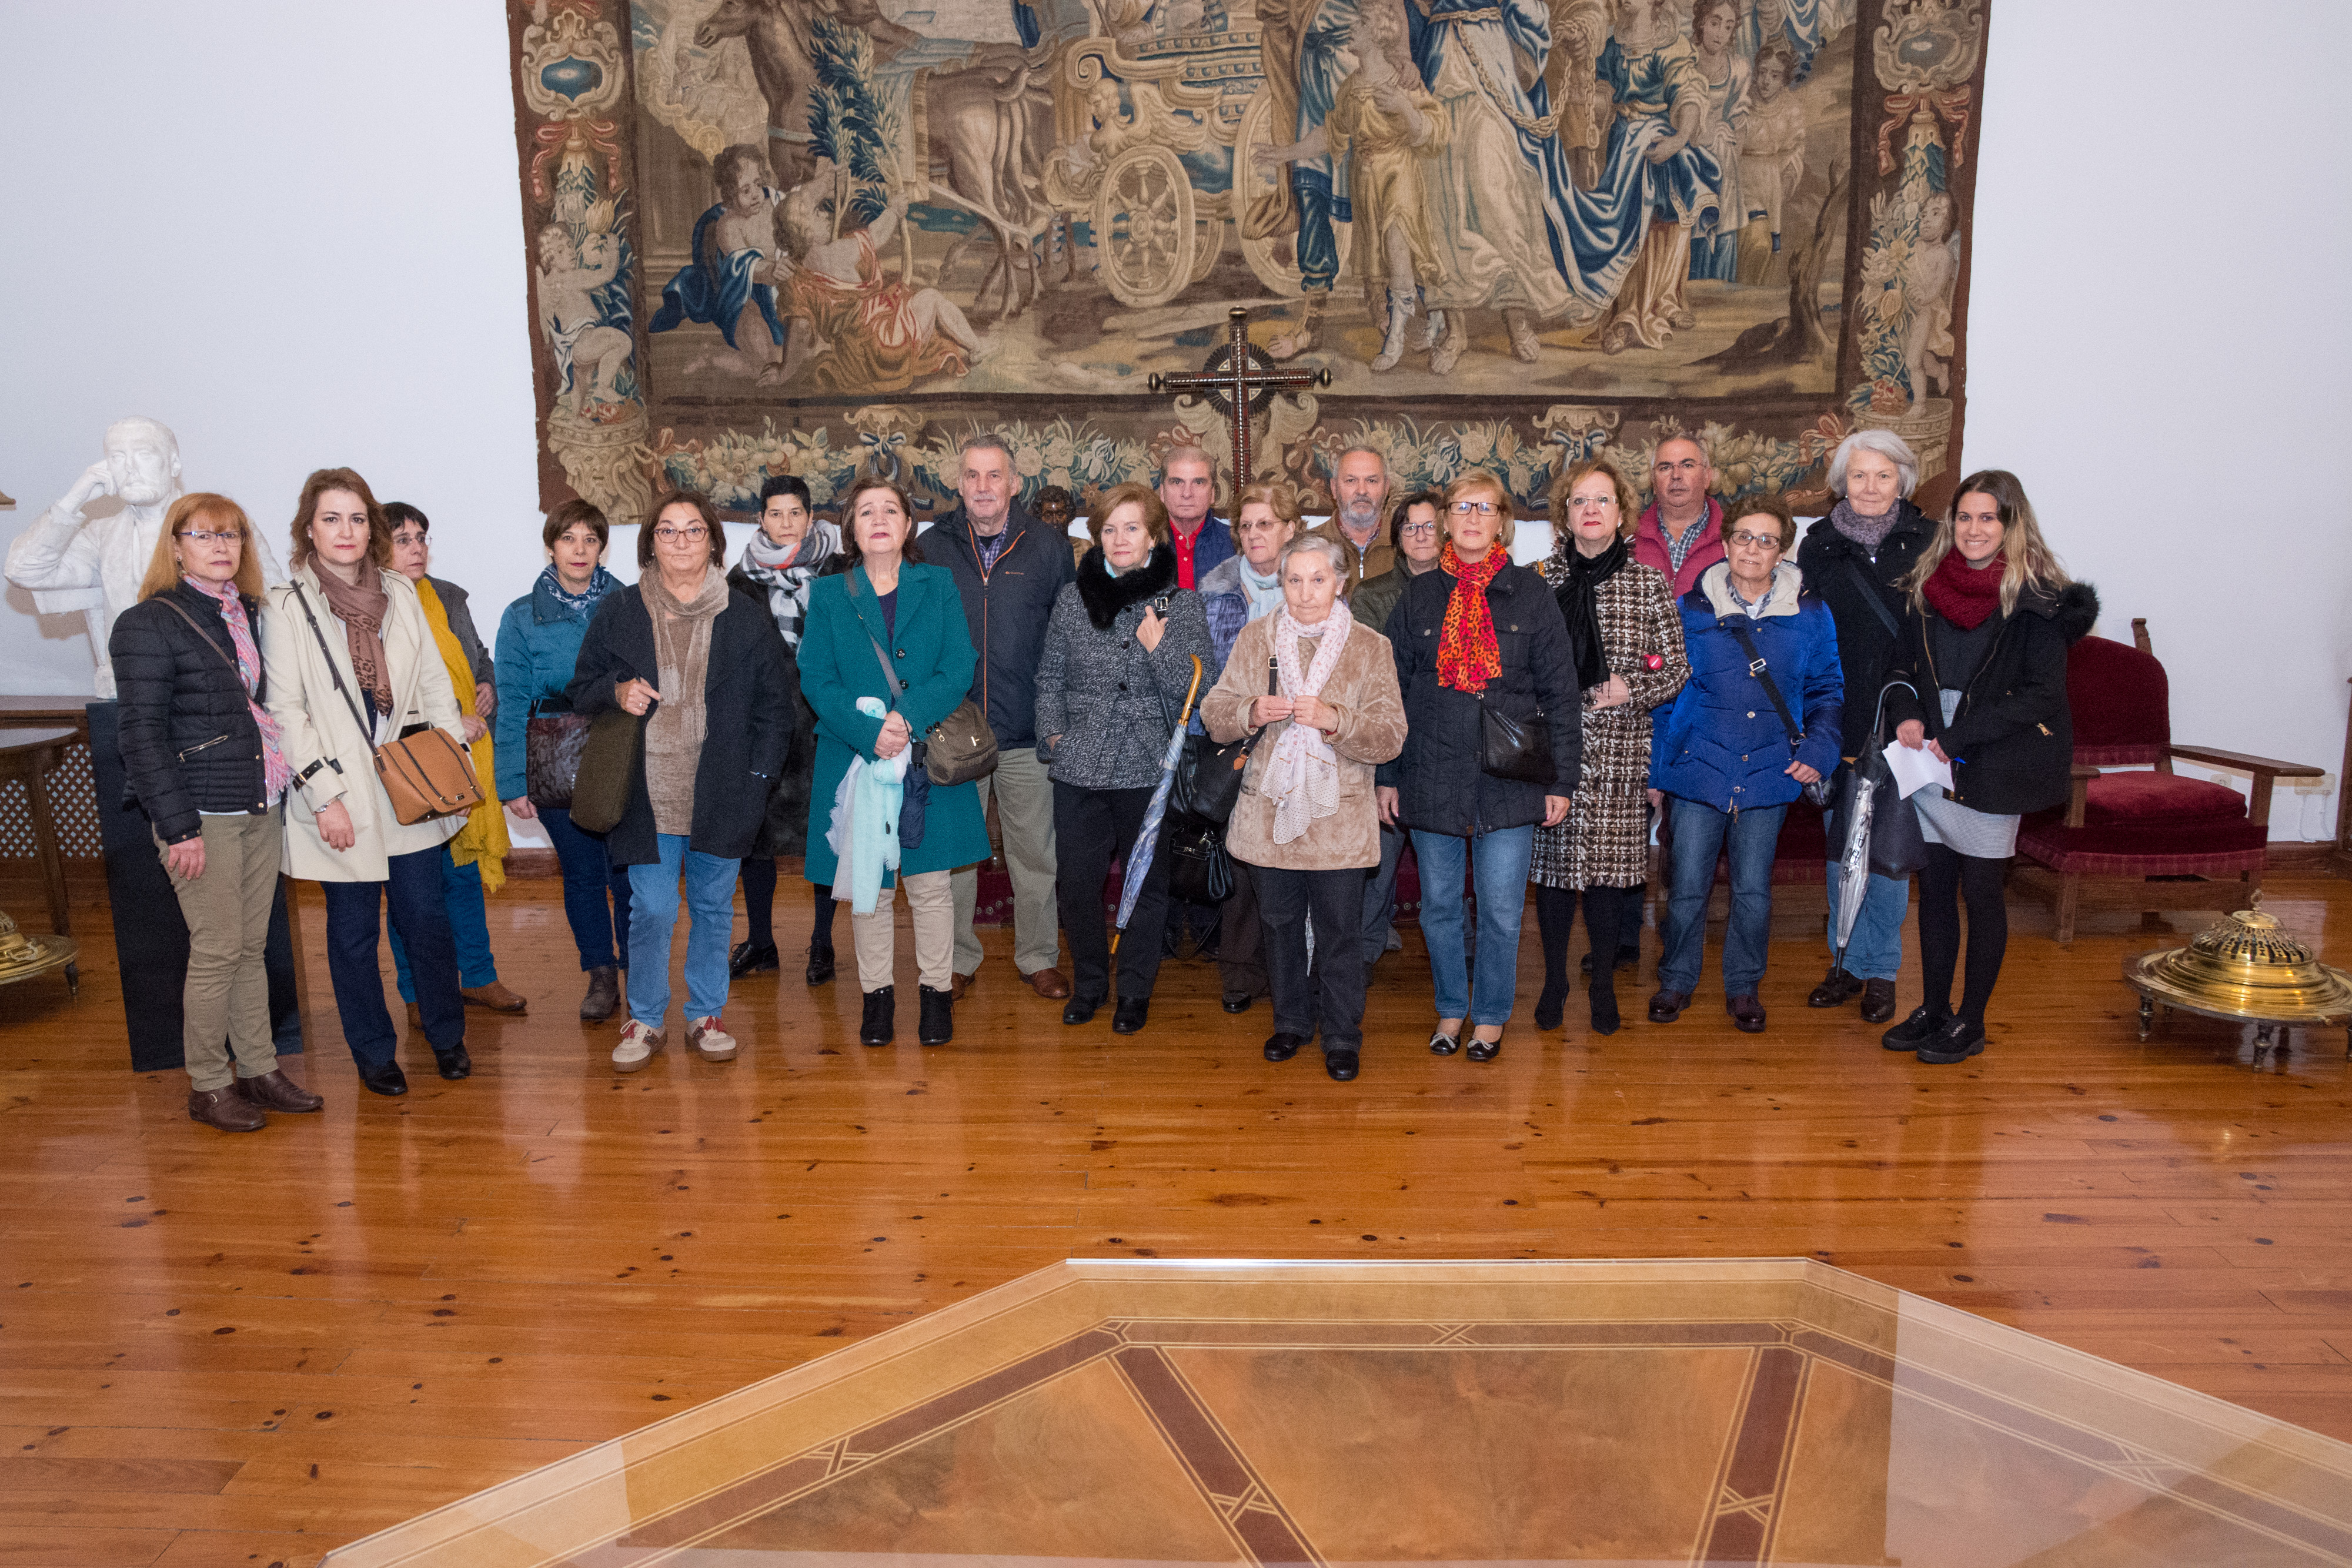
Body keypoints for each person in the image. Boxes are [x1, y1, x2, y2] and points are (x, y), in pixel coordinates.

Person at [109, 493, 321, 1131]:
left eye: (231, 535)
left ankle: (258, 1069)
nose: (222, 546)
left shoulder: (249, 614)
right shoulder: (147, 623)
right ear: (175, 546)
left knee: (249, 947)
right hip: (200, 811)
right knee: (217, 949)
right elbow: (140, 735)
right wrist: (177, 826)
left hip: (258, 798)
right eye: (204, 536)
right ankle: (207, 1084)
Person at [263, 468, 472, 1096]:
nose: (346, 531)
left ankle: (446, 1035)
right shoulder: (286, 605)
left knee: (427, 922)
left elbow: (435, 685)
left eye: (357, 519)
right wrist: (324, 797)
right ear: (309, 529)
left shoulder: (401, 595)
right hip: (340, 798)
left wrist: (449, 758)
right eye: (332, 518)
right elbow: (286, 712)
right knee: (353, 936)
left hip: (409, 789)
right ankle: (374, 1052)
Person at [569, 490, 794, 1071]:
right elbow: (583, 686)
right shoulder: (620, 610)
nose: (681, 542)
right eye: (667, 532)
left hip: (725, 788)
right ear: (651, 544)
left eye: (693, 531)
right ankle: (645, 1017)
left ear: (713, 542)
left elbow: (776, 707)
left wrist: (761, 777)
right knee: (653, 909)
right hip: (645, 791)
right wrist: (616, 691)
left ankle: (705, 1013)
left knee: (715, 906)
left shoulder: (745, 613)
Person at [1881, 472, 2096, 1065]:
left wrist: (1957, 735)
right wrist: (1906, 714)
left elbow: (2041, 696)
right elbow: (1900, 668)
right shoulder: (1925, 588)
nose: (1974, 531)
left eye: (1988, 519)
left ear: (2010, 525)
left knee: (1980, 893)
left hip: (1993, 755)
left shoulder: (2038, 599)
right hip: (1930, 756)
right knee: (1936, 888)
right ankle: (1933, 1009)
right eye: (1965, 518)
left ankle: (1970, 1021)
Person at [1377, 469, 1581, 1062]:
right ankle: (1450, 1007)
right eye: (1461, 507)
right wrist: (1386, 775)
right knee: (1439, 907)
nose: (1471, 518)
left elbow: (1561, 693)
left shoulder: (1532, 593)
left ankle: (1490, 1016)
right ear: (1445, 519)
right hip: (1430, 772)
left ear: (1503, 524)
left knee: (1498, 910)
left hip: (1509, 778)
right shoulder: (1417, 596)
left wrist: (1562, 780)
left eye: (1484, 509)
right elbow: (1389, 693)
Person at [1202, 533, 1406, 1080]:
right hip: (1270, 815)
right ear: (1282, 583)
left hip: (1338, 819)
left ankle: (1342, 1034)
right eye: (1295, 580)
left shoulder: (1369, 647)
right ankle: (1291, 1021)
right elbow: (1215, 713)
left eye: (1319, 580)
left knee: (1341, 932)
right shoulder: (1256, 637)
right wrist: (1251, 709)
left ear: (1341, 582)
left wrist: (1337, 719)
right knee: (1279, 923)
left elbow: (1390, 737)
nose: (1306, 592)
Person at [799, 474, 991, 1047]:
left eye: (890, 510)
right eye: (865, 512)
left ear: (908, 526)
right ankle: (876, 1001)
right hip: (856, 761)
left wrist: (905, 718)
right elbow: (815, 677)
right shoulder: (830, 594)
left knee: (930, 886)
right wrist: (868, 731)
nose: (879, 519)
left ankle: (936, 998)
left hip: (925, 754)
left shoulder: (938, 584)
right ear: (851, 530)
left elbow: (959, 665)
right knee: (871, 888)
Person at [1648, 494, 1841, 1034]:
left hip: (1770, 770)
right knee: (1687, 885)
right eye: (1743, 537)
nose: (1753, 549)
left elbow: (1827, 689)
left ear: (1783, 551)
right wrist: (1658, 773)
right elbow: (1665, 698)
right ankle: (1677, 978)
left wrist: (1819, 750)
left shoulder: (1811, 614)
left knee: (1753, 889)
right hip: (1698, 767)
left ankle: (1743, 986)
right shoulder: (1692, 608)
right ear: (1725, 542)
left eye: (1767, 540)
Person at [1034, 482, 1214, 1034]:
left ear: (1154, 535)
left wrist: (1160, 652)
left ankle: (1135, 991)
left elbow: (1197, 692)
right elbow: (1050, 678)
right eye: (1108, 529)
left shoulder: (1180, 603)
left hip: (1145, 762)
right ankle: (1090, 983)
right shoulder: (1072, 598)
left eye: (1131, 528)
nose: (1118, 539)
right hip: (1080, 760)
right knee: (1078, 882)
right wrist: (1055, 736)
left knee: (1146, 884)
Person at [1530, 459, 1689, 1035]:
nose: (1590, 509)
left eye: (1601, 500)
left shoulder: (1647, 583)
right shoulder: (1539, 578)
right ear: (1565, 515)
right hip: (1554, 751)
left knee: (1605, 875)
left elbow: (1675, 667)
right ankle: (1553, 980)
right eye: (1579, 501)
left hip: (1622, 748)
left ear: (1621, 514)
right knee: (1552, 874)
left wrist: (1634, 687)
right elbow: (1518, 668)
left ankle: (1602, 986)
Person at [1796, 430, 1936, 1025]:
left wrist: (1917, 709)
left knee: (1889, 854)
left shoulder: (1932, 542)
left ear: (1902, 480)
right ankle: (1843, 962)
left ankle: (1880, 971)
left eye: (1883, 476)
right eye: (1858, 476)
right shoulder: (1818, 545)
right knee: (1841, 852)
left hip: (1906, 718)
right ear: (1840, 482)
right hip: (1840, 718)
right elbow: (1805, 635)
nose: (1870, 487)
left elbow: (1939, 636)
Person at [932, 437, 1078, 1002]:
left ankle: (1038, 957)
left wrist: (1059, 716)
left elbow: (1065, 639)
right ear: (959, 483)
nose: (984, 486)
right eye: (973, 475)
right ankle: (956, 959)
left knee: (1036, 854)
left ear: (1015, 483)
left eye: (995, 475)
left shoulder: (1047, 547)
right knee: (957, 857)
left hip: (1026, 730)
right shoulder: (933, 547)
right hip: (955, 731)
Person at [6, 417, 283, 698]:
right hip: (133, 695)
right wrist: (73, 499)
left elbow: (276, 606)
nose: (130, 468)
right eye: (117, 457)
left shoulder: (222, 527)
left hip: (215, 695)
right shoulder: (102, 535)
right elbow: (23, 571)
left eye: (144, 454)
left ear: (174, 464)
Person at [381, 503, 525, 1017]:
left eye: (422, 537)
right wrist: (444, 725)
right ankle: (418, 993)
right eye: (403, 539)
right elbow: (384, 691)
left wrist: (485, 684)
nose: (417, 547)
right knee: (411, 890)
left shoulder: (446, 596)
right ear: (378, 547)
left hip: (464, 755)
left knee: (461, 874)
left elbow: (477, 652)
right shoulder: (370, 605)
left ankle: (479, 976)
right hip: (410, 760)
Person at [494, 500, 635, 1022]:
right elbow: (511, 702)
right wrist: (513, 781)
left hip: (621, 752)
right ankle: (600, 975)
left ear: (602, 546)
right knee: (580, 874)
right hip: (554, 755)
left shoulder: (630, 604)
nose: (580, 549)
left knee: (628, 873)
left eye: (590, 539)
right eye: (568, 538)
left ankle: (638, 973)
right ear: (551, 545)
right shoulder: (520, 616)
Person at [725, 475, 853, 985]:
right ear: (761, 519)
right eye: (774, 513)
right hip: (765, 727)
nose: (785, 523)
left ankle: (822, 943)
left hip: (827, 723)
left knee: (826, 836)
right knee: (757, 838)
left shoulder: (842, 572)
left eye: (794, 513)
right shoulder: (740, 582)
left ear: (810, 515)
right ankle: (761, 940)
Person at [1197, 480, 1305, 1014]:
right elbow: (1206, 680)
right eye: (1246, 525)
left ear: (1290, 529)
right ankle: (1241, 972)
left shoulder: (1315, 586)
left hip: (1303, 745)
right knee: (1242, 860)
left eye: (1266, 523)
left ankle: (1298, 970)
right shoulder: (1213, 591)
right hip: (1237, 743)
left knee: (1294, 857)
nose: (1255, 534)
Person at [1351, 487, 1444, 964]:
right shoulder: (1372, 594)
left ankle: (1461, 952)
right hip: (1386, 741)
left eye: (1430, 525)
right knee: (1380, 861)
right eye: (1411, 527)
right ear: (1398, 537)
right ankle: (1364, 953)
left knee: (1443, 861)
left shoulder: (1466, 591)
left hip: (1443, 744)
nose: (1421, 535)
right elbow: (1366, 672)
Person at [1631, 436, 1727, 597]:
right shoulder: (1627, 539)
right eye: (1665, 468)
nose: (1676, 475)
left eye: (1687, 465)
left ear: (1707, 477)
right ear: (1653, 482)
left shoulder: (1734, 539)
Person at [1306, 446, 1396, 597]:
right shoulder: (1308, 547)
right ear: (1334, 488)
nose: (1361, 491)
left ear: (1386, 488)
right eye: (1351, 480)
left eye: (1372, 481)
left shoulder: (1407, 544)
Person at [1159, 446, 1232, 589]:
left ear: (1212, 493)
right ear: (1162, 492)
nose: (1187, 494)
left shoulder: (1236, 543)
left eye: (1198, 482)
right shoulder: (1143, 543)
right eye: (1177, 482)